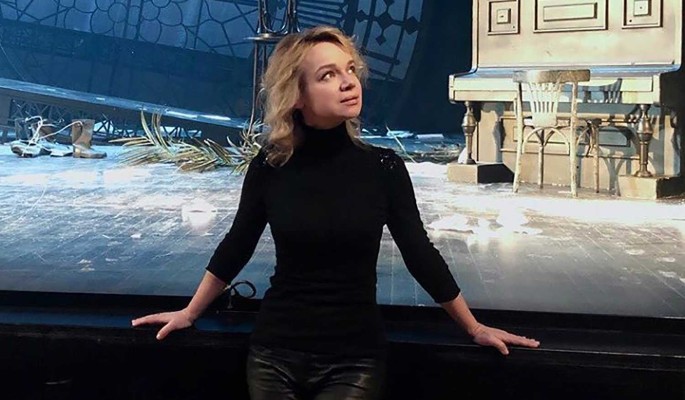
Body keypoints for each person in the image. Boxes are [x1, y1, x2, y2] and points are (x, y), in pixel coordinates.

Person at [132, 25, 540, 399]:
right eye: (327, 75)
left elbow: (420, 254)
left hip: (354, 358)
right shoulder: (270, 165)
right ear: (297, 95)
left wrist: (474, 327)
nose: (348, 82)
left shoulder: (383, 168)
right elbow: (236, 245)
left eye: (350, 69)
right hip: (274, 354)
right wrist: (190, 313)